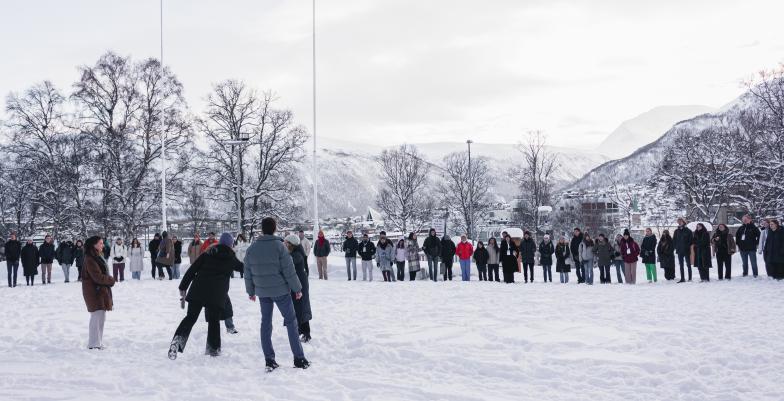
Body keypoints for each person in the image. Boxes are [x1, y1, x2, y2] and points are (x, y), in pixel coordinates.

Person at [244, 217, 308, 370]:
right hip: (281, 291)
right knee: (291, 322)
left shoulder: (252, 248)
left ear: (262, 229)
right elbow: (289, 270)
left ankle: (269, 360)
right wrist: (297, 289)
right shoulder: (280, 247)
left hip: (263, 292)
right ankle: (299, 358)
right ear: (274, 229)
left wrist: (250, 291)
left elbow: (248, 272)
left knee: (265, 323)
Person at [169, 233, 243, 359]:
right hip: (216, 295)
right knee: (214, 321)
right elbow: (244, 268)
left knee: (190, 318)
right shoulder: (231, 258)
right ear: (231, 245)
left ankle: (178, 340)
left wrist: (183, 286)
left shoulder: (207, 253)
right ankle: (213, 349)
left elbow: (192, 270)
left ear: (219, 242)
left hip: (198, 291)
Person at [81, 236, 116, 350]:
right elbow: (97, 277)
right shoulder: (90, 258)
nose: (103, 245)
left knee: (101, 317)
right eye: (100, 243)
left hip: (100, 291)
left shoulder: (97, 256)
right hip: (94, 291)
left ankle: (98, 342)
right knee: (96, 317)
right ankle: (93, 344)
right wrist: (110, 280)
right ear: (94, 245)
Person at [284, 234, 312, 343]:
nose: (285, 245)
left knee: (301, 308)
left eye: (286, 243)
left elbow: (288, 261)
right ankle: (299, 331)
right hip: (295, 283)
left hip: (300, 284)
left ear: (291, 244)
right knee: (296, 308)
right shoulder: (293, 252)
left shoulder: (297, 254)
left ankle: (306, 333)